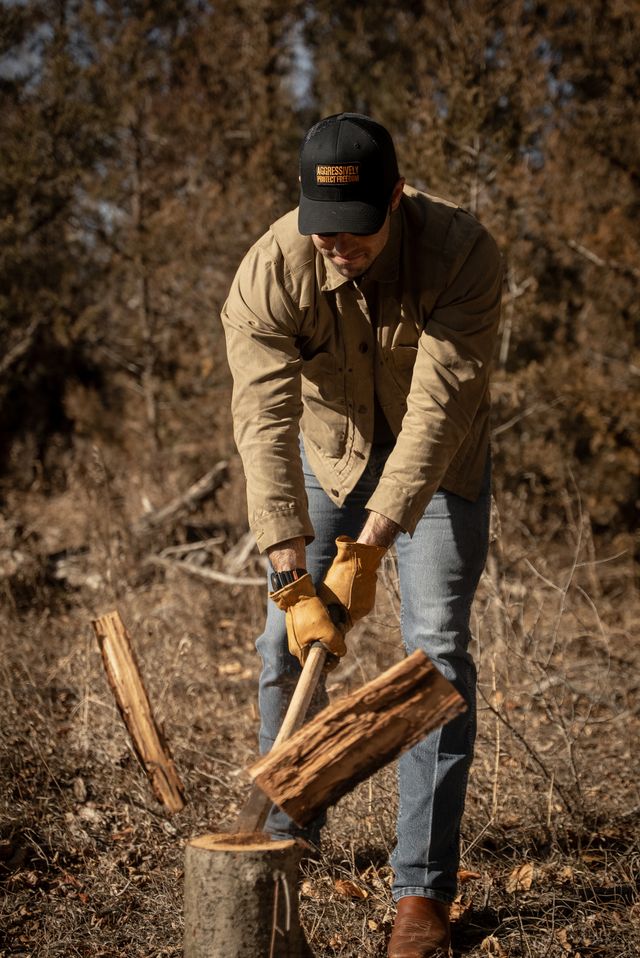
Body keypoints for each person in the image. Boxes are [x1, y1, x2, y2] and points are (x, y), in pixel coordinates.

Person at [221, 112, 502, 958]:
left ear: (398, 197)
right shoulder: (271, 271)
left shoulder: (462, 253)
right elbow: (262, 425)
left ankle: (422, 894)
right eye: (323, 231)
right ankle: (285, 846)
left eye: (356, 231)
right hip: (325, 455)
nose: (336, 246)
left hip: (440, 461)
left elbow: (437, 412)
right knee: (283, 644)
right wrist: (290, 577)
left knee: (435, 654)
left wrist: (371, 547)